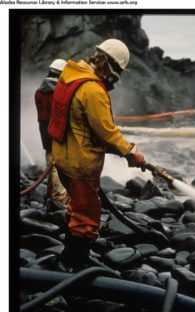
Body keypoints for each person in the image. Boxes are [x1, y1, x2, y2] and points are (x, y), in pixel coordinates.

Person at [48, 39, 145, 268]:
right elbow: (106, 131)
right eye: (117, 73)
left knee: (77, 206)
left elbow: (80, 123)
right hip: (81, 164)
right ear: (109, 66)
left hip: (63, 157)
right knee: (87, 215)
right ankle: (75, 265)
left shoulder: (70, 76)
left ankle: (68, 258)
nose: (115, 80)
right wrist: (131, 152)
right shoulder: (92, 89)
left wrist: (119, 150)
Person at [35, 59, 69, 205]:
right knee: (58, 165)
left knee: (50, 159)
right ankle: (58, 199)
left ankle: (50, 195)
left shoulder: (39, 90)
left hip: (44, 132)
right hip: (56, 132)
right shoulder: (58, 92)